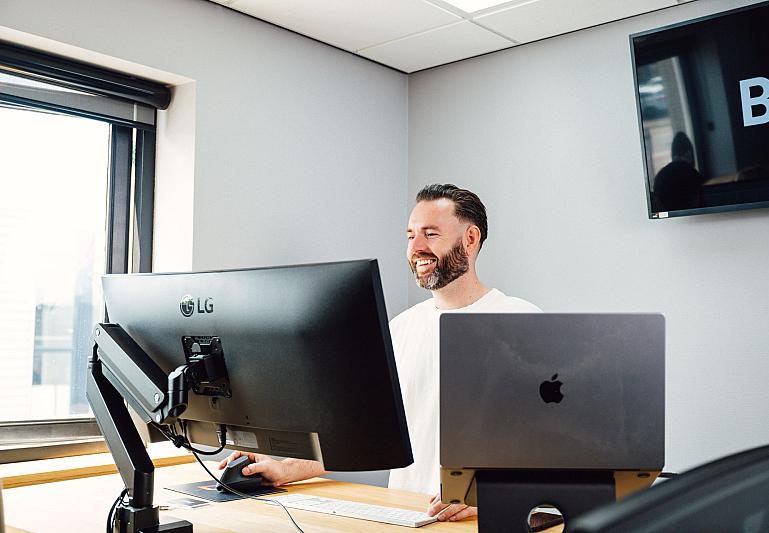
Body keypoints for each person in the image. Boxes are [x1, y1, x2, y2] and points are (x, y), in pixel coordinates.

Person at [219, 183, 541, 522]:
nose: (416, 248)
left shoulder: (522, 321)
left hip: (477, 523)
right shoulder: (400, 328)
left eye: (430, 234)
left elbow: (557, 448)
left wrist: (493, 495)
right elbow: (364, 434)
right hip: (406, 518)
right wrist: (286, 467)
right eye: (410, 236)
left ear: (471, 239)